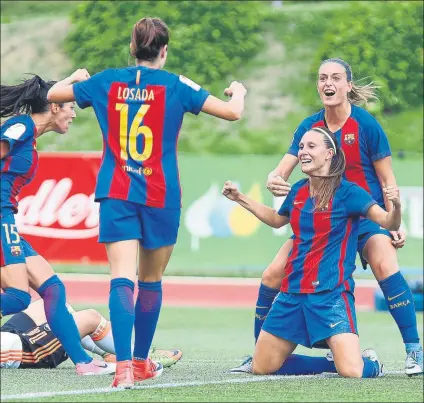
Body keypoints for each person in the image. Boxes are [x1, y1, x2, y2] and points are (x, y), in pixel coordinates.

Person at [47, 17, 247, 388]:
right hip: (160, 194)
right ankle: (140, 362)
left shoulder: (106, 81)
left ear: (131, 48)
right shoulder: (175, 85)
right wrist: (239, 90)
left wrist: (76, 77)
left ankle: (122, 368)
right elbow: (233, 112)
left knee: (121, 278)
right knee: (151, 280)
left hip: (117, 191)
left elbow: (53, 95)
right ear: (164, 51)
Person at [234, 58, 422, 376]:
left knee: (385, 265)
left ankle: (414, 350)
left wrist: (394, 221)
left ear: (348, 85)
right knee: (272, 274)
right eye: (322, 78)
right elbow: (281, 169)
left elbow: (387, 180)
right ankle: (258, 355)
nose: (327, 83)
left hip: (365, 216)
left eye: (335, 77)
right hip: (324, 219)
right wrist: (274, 178)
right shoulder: (311, 129)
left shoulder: (366, 126)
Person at [222, 126, 402, 378]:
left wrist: (395, 206)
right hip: (292, 294)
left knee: (352, 371)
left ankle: (371, 364)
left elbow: (389, 223)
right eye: (301, 147)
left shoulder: (349, 193)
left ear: (329, 153)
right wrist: (240, 198)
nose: (303, 152)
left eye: (311, 146)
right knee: (261, 367)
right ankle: (330, 364)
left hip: (331, 295)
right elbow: (276, 219)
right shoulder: (297, 190)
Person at [0, 76, 115, 376]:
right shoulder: (22, 126)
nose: (74, 113)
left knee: (52, 289)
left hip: (6, 219)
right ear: (53, 107)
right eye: (71, 106)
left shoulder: (30, 135)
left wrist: (73, 79)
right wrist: (74, 78)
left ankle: (83, 363)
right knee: (18, 297)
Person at [1, 298, 183, 370]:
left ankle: (110, 353)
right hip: (14, 350)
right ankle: (138, 356)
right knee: (91, 318)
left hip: (7, 337)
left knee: (53, 305)